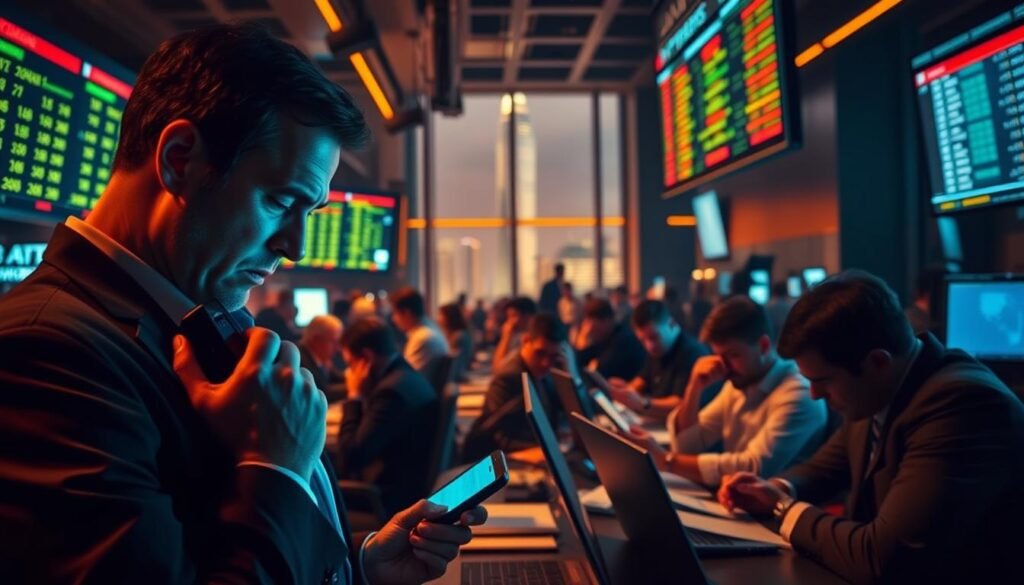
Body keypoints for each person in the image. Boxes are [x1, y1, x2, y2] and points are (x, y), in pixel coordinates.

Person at [0, 25, 483, 583]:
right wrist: (272, 466)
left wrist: (356, 568)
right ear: (180, 160)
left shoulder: (187, 315)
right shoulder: (43, 354)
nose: (295, 247)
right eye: (281, 200)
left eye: (310, 212)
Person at [717, 271, 1024, 585]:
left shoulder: (963, 406)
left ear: (878, 363)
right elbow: (825, 466)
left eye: (821, 381)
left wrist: (782, 508)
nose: (814, 395)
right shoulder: (876, 390)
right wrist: (777, 488)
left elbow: (882, 557)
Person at [626, 297, 827, 487]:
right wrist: (693, 387)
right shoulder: (738, 383)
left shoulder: (799, 392)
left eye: (732, 355)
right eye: (718, 355)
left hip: (778, 517)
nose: (723, 366)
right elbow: (688, 446)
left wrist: (666, 460)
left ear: (764, 346)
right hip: (739, 503)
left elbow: (753, 467)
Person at [336, 318, 439, 517]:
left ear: (365, 358)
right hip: (406, 482)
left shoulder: (391, 394)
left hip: (388, 498)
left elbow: (350, 459)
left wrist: (354, 396)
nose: (349, 372)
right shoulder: (405, 377)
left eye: (350, 363)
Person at [463, 314, 567, 461]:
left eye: (553, 357)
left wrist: (569, 376)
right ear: (525, 341)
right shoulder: (509, 378)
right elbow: (501, 440)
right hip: (498, 465)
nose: (545, 363)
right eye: (540, 353)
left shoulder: (544, 375)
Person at [606, 300, 720, 418]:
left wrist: (642, 403)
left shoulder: (692, 353)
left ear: (671, 324)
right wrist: (626, 391)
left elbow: (681, 404)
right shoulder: (659, 349)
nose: (649, 346)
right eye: (642, 340)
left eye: (654, 337)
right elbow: (642, 379)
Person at [574, 297, 646, 381]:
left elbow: (599, 373)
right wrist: (583, 337)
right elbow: (579, 359)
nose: (591, 333)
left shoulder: (623, 340)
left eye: (594, 329)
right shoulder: (606, 337)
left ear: (606, 321)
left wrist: (583, 338)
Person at [390, 286, 449, 374]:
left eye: (395, 313)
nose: (393, 319)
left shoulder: (422, 338)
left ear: (407, 313)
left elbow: (407, 378)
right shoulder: (431, 328)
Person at [298, 314, 344, 391]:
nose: (338, 348)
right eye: (333, 342)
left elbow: (335, 378)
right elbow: (321, 391)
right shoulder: (301, 361)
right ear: (316, 340)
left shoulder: (319, 356)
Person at [492, 296, 538, 369]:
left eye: (513, 316)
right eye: (508, 317)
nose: (509, 322)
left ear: (528, 317)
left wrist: (505, 338)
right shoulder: (517, 338)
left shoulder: (532, 341)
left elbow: (498, 368)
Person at [438, 302, 474, 382]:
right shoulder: (451, 335)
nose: (438, 318)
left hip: (456, 382)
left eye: (441, 314)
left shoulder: (459, 337)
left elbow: (456, 367)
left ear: (449, 316)